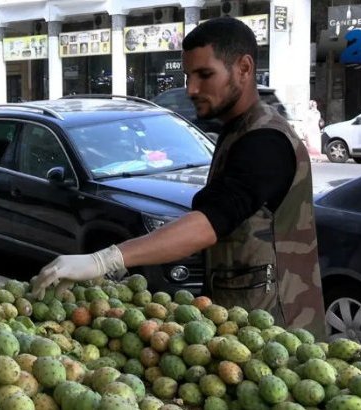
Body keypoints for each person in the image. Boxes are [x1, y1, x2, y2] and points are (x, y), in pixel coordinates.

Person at [29, 17, 326, 337]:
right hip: (243, 328)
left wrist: (105, 260)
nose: (191, 89)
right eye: (188, 76)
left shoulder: (265, 142)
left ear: (244, 68)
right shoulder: (237, 130)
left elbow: (210, 222)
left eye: (204, 75)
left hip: (281, 334)